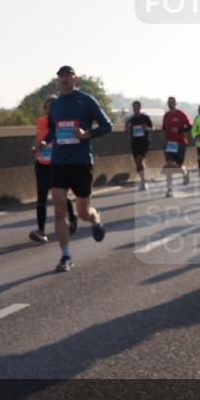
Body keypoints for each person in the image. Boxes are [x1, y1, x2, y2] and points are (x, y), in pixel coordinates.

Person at [43, 66, 112, 271]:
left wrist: (86, 134)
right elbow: (53, 130)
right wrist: (43, 143)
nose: (64, 79)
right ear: (57, 81)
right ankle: (65, 256)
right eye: (60, 76)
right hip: (59, 162)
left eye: (67, 76)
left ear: (75, 79)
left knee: (82, 213)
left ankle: (95, 218)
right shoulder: (55, 105)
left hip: (81, 162)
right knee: (58, 210)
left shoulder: (86, 100)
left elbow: (106, 126)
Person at [30, 95, 77, 243]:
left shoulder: (61, 123)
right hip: (41, 163)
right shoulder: (41, 121)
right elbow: (38, 137)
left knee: (60, 196)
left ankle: (72, 216)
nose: (49, 110)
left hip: (57, 164)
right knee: (41, 198)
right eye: (47, 107)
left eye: (53, 107)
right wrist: (35, 147)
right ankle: (41, 231)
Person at [161, 96, 192, 197]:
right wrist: (163, 133)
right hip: (170, 144)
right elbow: (164, 128)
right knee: (169, 165)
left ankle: (185, 173)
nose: (170, 104)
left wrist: (179, 131)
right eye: (168, 102)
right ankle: (169, 190)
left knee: (178, 166)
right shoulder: (166, 115)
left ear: (175, 103)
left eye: (172, 102)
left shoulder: (181, 114)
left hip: (180, 143)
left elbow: (190, 126)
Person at [125, 100, 153, 191]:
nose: (135, 109)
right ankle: (143, 181)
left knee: (139, 160)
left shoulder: (145, 117)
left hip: (144, 142)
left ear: (140, 107)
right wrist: (128, 127)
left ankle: (144, 182)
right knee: (137, 163)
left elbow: (152, 128)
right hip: (135, 142)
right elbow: (126, 131)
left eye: (137, 107)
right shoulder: (130, 119)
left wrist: (146, 128)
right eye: (134, 107)